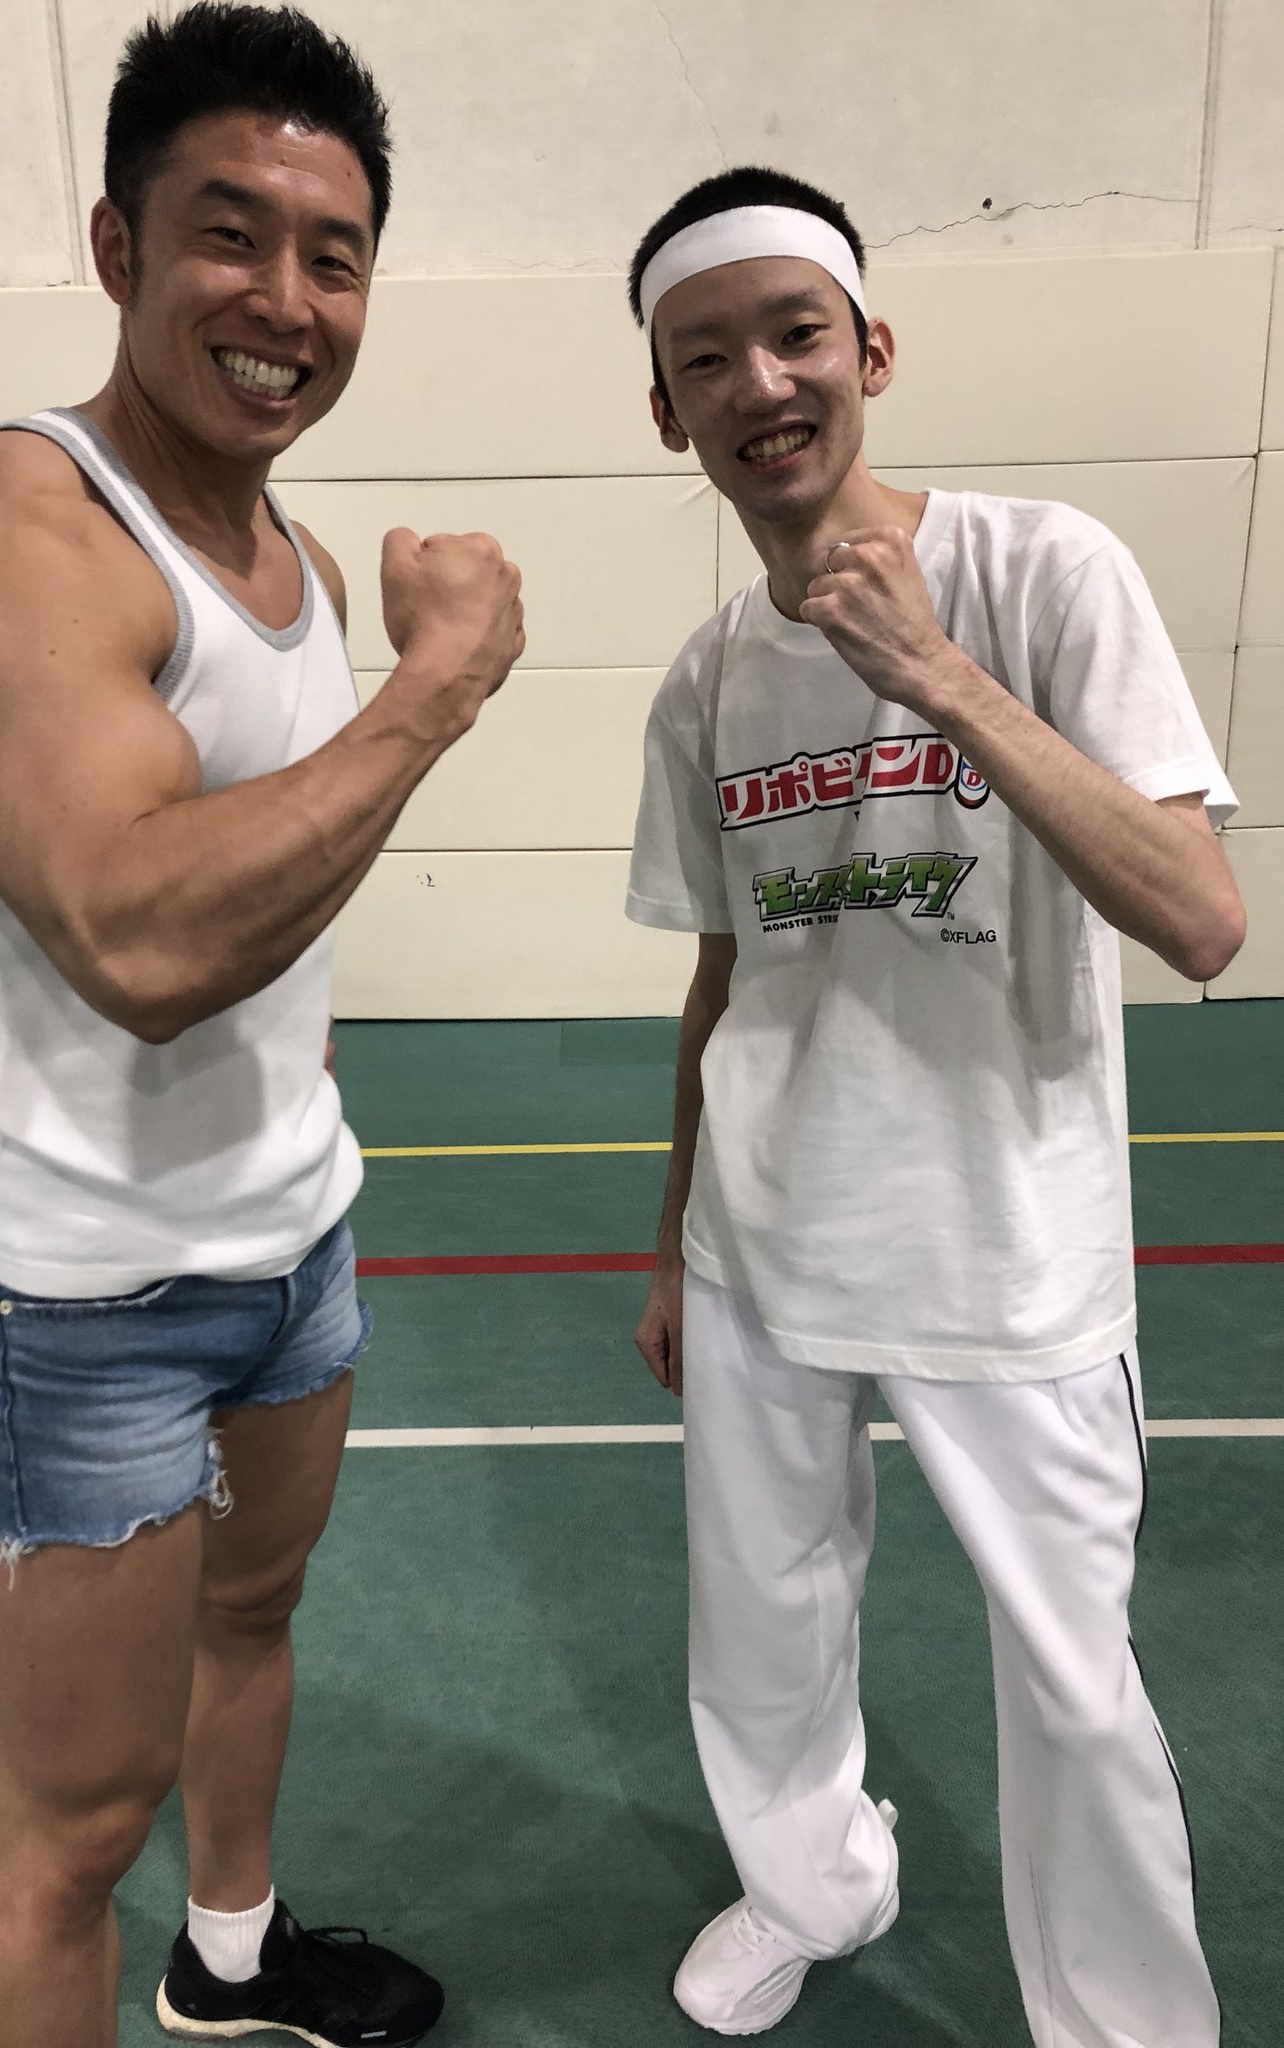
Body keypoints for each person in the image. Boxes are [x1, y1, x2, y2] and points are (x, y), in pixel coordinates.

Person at [0, 6, 523, 2045]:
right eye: (230, 234)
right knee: (75, 1821)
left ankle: (229, 1960)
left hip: (287, 1236)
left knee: (257, 1614)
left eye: (336, 255)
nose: (287, 301)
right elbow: (137, 940)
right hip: (81, 1288)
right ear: (117, 246)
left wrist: (297, 1097)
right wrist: (439, 689)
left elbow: (266, 894)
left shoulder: (293, 559)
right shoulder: (15, 526)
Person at [624, 165, 1244, 2044]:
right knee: (761, 1632)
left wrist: (936, 676)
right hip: (762, 1245)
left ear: (872, 350)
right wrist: (670, 1240)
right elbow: (724, 976)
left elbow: (1201, 915)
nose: (760, 383)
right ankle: (809, 1882)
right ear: (666, 411)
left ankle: (1124, 2022)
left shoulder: (1044, 572)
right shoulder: (705, 679)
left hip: (1007, 1249)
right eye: (707, 357)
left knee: (1075, 1683)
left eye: (794, 334)